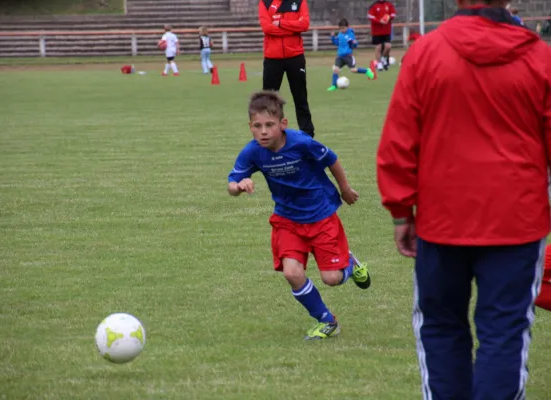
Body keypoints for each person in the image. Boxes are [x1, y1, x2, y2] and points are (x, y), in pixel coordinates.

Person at [376, 0, 551, 398]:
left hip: (443, 220)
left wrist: (401, 212)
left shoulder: (425, 53)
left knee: (441, 326)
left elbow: (399, 141)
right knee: (504, 331)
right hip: (516, 220)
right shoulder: (541, 58)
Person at [227, 91, 371, 340]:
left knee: (332, 279)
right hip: (287, 221)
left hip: (321, 216)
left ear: (283, 125)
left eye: (269, 125)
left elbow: (332, 160)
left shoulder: (302, 143)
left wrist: (345, 189)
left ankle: (350, 263)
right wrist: (239, 187)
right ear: (250, 127)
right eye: (257, 126)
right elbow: (231, 183)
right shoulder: (252, 152)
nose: (263, 132)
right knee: (292, 273)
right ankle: (327, 321)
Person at [258, 0, 315, 137]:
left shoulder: (300, 2)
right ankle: (268, 133)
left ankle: (307, 134)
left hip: (295, 56)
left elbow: (304, 25)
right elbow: (267, 28)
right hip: (273, 57)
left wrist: (281, 23)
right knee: (269, 100)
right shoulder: (265, 3)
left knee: (300, 97)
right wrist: (292, 29)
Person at [327, 18, 375, 91]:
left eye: (344, 28)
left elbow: (354, 44)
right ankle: (334, 86)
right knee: (336, 70)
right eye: (341, 28)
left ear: (347, 27)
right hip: (340, 56)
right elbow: (337, 43)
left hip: (348, 56)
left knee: (353, 70)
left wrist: (354, 43)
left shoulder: (350, 34)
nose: (342, 30)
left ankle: (366, 71)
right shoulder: (340, 35)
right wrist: (333, 37)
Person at [367, 0, 396, 71]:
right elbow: (370, 16)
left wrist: (387, 18)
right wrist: (379, 21)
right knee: (378, 48)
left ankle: (383, 58)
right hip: (376, 31)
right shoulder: (374, 6)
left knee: (388, 46)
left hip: (386, 30)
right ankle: (379, 63)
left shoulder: (389, 5)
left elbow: (393, 14)